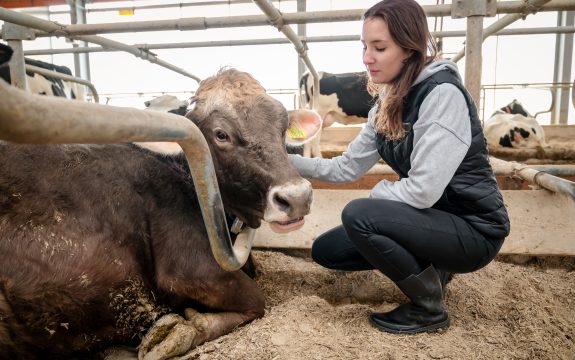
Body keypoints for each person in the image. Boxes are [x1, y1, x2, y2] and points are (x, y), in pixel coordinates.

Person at [288, 0, 510, 334]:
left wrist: (378, 195)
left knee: (360, 214)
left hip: (474, 228)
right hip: (431, 221)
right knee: (328, 251)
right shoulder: (386, 104)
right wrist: (285, 160)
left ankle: (428, 308)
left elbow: (422, 191)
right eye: (364, 46)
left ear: (408, 49)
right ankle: (434, 268)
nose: (366, 58)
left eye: (379, 47)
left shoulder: (441, 94)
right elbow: (345, 169)